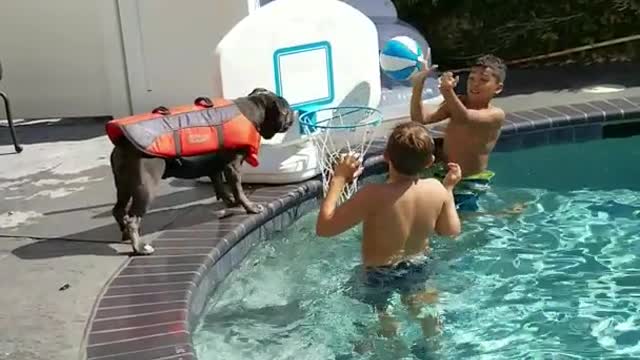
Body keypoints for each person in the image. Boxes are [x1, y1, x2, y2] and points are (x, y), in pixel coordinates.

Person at [315, 121, 462, 340]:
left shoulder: (373, 194)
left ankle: (393, 343)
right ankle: (432, 344)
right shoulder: (436, 188)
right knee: (423, 307)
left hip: (379, 274)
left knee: (383, 317)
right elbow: (450, 231)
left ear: (386, 156)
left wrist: (338, 178)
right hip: (418, 266)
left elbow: (324, 228)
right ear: (430, 161)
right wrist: (448, 189)